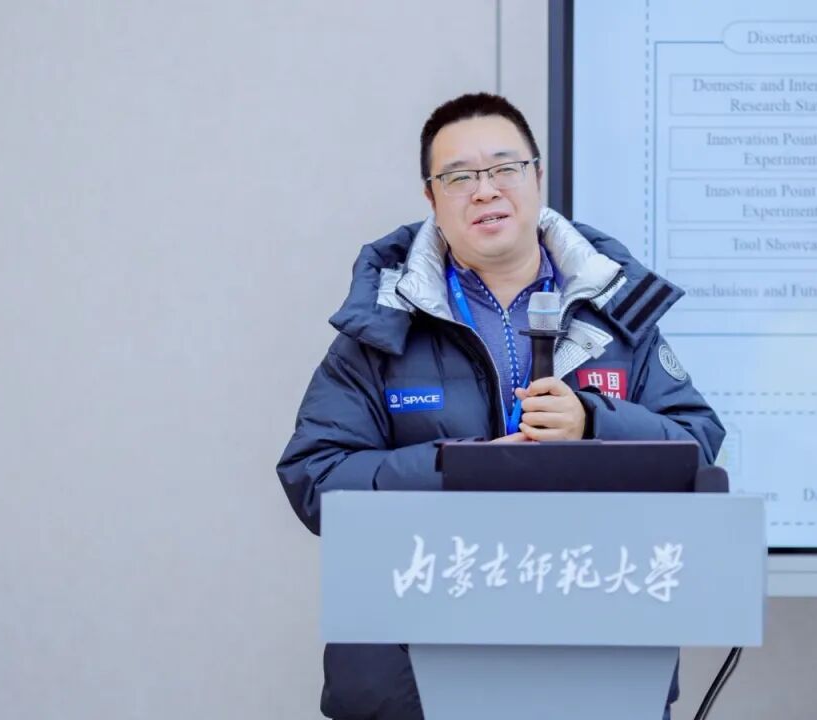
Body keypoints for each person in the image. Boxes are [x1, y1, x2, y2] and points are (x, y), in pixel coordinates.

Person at [277, 92, 724, 720]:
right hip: (413, 678)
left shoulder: (618, 314)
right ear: (432, 198)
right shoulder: (380, 327)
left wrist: (594, 422)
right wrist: (460, 469)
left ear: (537, 177)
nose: (485, 190)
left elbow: (696, 449)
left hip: (595, 665)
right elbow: (315, 477)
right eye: (458, 177)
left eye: (504, 168)